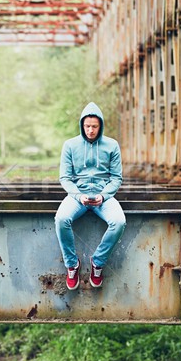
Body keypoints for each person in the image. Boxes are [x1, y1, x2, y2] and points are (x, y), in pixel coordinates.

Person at [55, 101, 126, 290]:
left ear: (100, 125)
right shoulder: (70, 145)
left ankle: (98, 262)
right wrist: (79, 196)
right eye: (87, 126)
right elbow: (65, 177)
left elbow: (116, 178)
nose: (91, 130)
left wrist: (103, 196)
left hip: (104, 197)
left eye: (94, 126)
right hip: (78, 196)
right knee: (61, 218)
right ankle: (72, 264)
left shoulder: (112, 145)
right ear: (82, 125)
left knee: (118, 222)